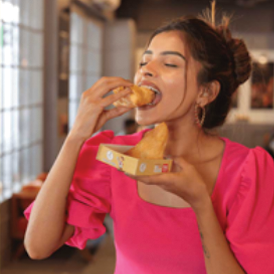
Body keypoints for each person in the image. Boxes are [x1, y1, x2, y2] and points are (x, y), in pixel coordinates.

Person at [23, 3, 274, 274]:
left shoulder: (249, 172)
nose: (146, 71)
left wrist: (201, 203)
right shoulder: (117, 157)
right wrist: (75, 137)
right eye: (144, 61)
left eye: (169, 63)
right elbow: (37, 247)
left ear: (206, 92)